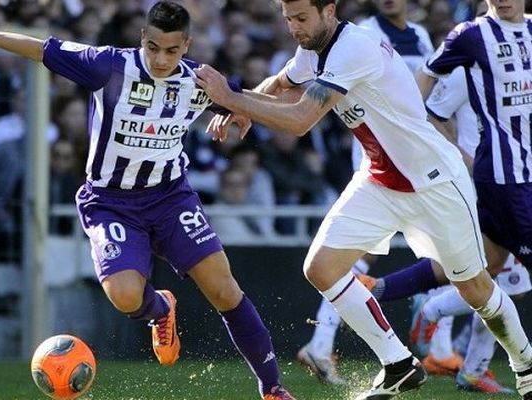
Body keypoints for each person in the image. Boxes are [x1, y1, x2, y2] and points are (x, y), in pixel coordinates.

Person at [0, 4, 296, 399]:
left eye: (172, 51)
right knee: (124, 296)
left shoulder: (202, 80)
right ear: (143, 38)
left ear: (187, 46)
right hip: (110, 200)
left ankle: (272, 388)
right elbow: (41, 48)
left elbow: (250, 98)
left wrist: (241, 108)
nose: (160, 59)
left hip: (171, 197)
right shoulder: (108, 65)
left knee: (225, 290)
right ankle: (160, 309)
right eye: (153, 47)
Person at [194, 0, 532, 399]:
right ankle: (398, 364)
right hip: (379, 180)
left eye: (301, 18)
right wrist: (248, 104)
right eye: (288, 19)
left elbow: (301, 119)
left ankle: (525, 366)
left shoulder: (354, 48)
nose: (294, 29)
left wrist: (231, 98)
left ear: (330, 11)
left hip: (434, 182)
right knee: (321, 268)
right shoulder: (313, 46)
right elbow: (281, 84)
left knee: (476, 287)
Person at [296, 0, 437, 384]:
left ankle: (322, 343)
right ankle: (324, 344)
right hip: (382, 164)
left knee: (359, 261)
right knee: (351, 260)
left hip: (416, 159)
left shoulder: (420, 36)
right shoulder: (363, 33)